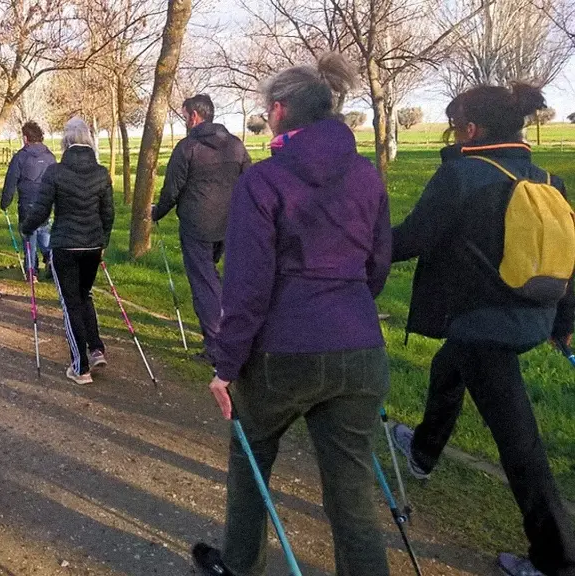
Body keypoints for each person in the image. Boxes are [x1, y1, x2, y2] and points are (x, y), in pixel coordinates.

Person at [191, 53, 392, 576]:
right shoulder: (367, 175)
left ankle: (240, 565)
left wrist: (227, 367)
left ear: (279, 111)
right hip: (359, 347)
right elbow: (378, 263)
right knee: (351, 493)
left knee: (250, 456)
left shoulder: (264, 181)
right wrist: (346, 310)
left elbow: (246, 288)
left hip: (283, 352)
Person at [389, 83, 575, 576]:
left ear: (471, 129)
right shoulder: (548, 179)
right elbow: (568, 256)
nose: (453, 133)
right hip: (533, 314)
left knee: (520, 443)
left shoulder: (462, 176)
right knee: (449, 364)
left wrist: (349, 245)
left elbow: (410, 239)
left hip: (483, 325)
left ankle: (556, 560)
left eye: (455, 126)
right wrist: (564, 322)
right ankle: (424, 451)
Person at [151, 94, 251, 364]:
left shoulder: (188, 148)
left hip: (197, 226)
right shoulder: (236, 146)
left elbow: (171, 189)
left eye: (185, 115)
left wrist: (156, 212)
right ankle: (232, 336)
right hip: (228, 225)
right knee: (217, 280)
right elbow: (249, 182)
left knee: (205, 285)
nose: (185, 120)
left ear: (194, 116)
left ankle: (217, 347)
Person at [21, 118, 114, 385]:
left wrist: (26, 227)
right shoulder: (101, 173)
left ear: (65, 141)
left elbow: (40, 210)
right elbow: (108, 213)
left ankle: (80, 367)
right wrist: (103, 241)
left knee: (71, 302)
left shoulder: (56, 172)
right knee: (85, 296)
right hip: (92, 246)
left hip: (65, 245)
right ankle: (95, 349)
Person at [1, 121, 56, 281]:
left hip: (27, 203)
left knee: (29, 236)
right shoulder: (50, 156)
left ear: (25, 138)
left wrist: (5, 201)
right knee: (44, 232)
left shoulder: (20, 157)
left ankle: (32, 270)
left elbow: (11, 180)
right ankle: (51, 260)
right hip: (46, 203)